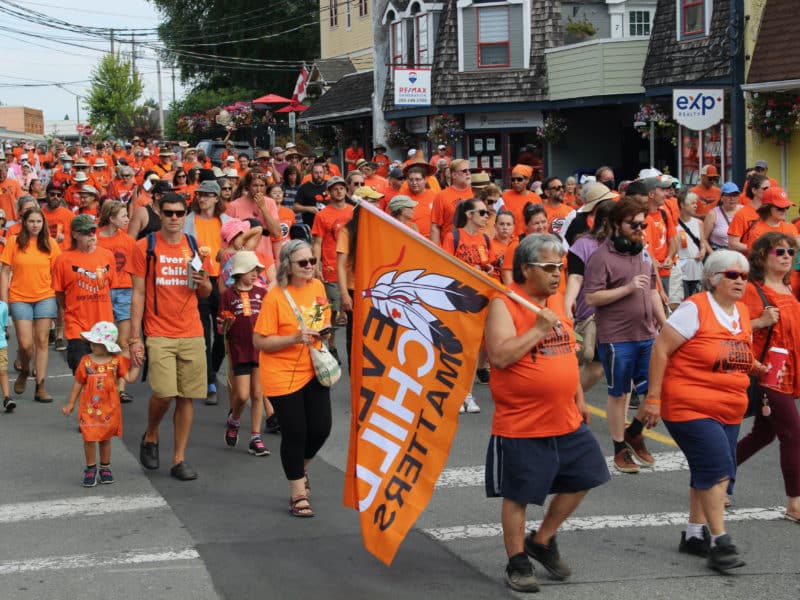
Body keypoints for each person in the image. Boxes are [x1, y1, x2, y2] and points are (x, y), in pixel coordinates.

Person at [484, 233, 610, 593]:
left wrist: (579, 398)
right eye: (549, 267)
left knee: (588, 473)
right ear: (525, 269)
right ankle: (517, 561)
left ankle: (542, 539)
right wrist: (538, 328)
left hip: (565, 415)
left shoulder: (556, 300)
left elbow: (568, 350)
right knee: (519, 492)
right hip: (522, 421)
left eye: (561, 267)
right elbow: (501, 355)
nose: (558, 274)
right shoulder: (505, 304)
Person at [644, 250, 753, 572]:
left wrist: (754, 367)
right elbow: (661, 348)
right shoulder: (695, 308)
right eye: (732, 275)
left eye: (744, 276)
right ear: (713, 278)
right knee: (718, 470)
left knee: (706, 471)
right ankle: (720, 542)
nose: (739, 281)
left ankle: (694, 535)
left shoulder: (743, 312)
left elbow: (733, 353)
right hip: (689, 404)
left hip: (729, 408)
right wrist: (653, 397)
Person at [129, 192, 213, 481]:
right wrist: (134, 337)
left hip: (191, 330)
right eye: (169, 213)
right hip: (158, 331)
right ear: (159, 213)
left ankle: (179, 459)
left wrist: (204, 283)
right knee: (164, 393)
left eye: (179, 213)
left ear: (185, 214)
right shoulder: (145, 247)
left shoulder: (195, 247)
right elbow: (138, 294)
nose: (174, 218)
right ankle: (151, 434)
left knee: (187, 397)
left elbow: (206, 292)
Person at [584, 196, 668, 473]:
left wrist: (664, 323)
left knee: (654, 392)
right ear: (616, 224)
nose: (640, 229)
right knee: (620, 393)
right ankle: (620, 447)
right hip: (616, 337)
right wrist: (627, 288)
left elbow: (653, 290)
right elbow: (593, 297)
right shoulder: (601, 257)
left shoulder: (643, 252)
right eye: (634, 224)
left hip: (647, 333)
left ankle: (635, 430)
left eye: (643, 223)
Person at [253, 240, 333, 517]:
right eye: (303, 262)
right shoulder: (275, 296)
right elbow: (260, 341)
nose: (310, 266)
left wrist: (324, 331)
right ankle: (298, 493)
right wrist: (293, 338)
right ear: (288, 265)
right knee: (296, 432)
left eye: (312, 260)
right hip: (281, 372)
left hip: (314, 367)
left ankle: (301, 467)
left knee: (321, 428)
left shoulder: (318, 288)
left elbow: (323, 319)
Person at [736, 233, 800, 522]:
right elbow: (732, 327)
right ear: (762, 256)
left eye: (791, 252)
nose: (787, 256)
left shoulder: (790, 286)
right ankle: (795, 504)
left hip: (789, 369)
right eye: (780, 251)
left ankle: (716, 474)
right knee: (793, 434)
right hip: (768, 371)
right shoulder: (752, 290)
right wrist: (760, 321)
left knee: (764, 433)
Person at [61, 321, 141, 487]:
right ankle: (91, 467)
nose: (92, 345)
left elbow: (130, 378)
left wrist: (137, 364)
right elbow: (78, 383)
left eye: (96, 343)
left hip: (108, 408)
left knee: (105, 439)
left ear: (106, 346)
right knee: (89, 438)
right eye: (92, 342)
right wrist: (70, 403)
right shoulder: (85, 361)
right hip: (89, 407)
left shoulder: (116, 361)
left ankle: (105, 466)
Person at [0, 206, 60, 402]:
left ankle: (40, 386)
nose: (35, 225)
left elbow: (58, 273)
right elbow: (5, 272)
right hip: (19, 297)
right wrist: (3, 301)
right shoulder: (13, 242)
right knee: (26, 345)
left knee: (42, 342)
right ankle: (25, 370)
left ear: (43, 224)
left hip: (45, 296)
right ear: (24, 222)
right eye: (32, 221)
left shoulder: (50, 243)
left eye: (39, 221)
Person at [443, 198, 495, 413]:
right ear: (469, 215)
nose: (486, 217)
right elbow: (445, 265)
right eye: (482, 212)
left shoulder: (485, 238)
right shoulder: (452, 236)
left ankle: (466, 393)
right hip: (458, 298)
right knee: (458, 348)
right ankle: (456, 393)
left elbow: (488, 264)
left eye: (487, 213)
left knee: (472, 349)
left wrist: (487, 270)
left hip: (479, 299)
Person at [219, 251, 270, 457]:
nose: (254, 274)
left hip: (259, 349)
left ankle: (255, 437)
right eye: (250, 270)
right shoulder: (228, 296)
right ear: (239, 273)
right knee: (241, 395)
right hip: (239, 349)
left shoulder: (262, 293)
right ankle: (235, 419)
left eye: (256, 270)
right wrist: (226, 325)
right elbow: (221, 327)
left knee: (257, 394)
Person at [185, 179, 232, 404]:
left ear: (216, 198)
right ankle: (210, 382)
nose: (202, 198)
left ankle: (210, 369)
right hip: (200, 279)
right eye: (199, 194)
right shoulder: (188, 222)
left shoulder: (227, 222)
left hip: (222, 281)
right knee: (204, 333)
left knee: (223, 332)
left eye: (207, 194)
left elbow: (241, 243)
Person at [52, 214, 117, 376]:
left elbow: (111, 287)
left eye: (92, 230)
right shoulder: (63, 260)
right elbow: (59, 293)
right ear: (74, 234)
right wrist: (71, 308)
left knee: (103, 377)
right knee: (83, 374)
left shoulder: (107, 255)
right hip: (77, 326)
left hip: (103, 325)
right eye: (85, 232)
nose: (91, 234)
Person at [564, 198, 615, 395]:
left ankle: (619, 419)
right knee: (594, 364)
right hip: (593, 312)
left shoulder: (627, 244)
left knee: (617, 369)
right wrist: (568, 306)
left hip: (621, 314)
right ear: (605, 221)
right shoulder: (583, 245)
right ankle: (567, 398)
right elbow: (575, 278)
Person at [97, 201, 137, 402]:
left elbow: (135, 268)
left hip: (124, 291)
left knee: (124, 341)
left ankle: (120, 387)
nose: (127, 219)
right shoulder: (95, 239)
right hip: (102, 291)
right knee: (104, 340)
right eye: (123, 216)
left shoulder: (129, 240)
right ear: (111, 219)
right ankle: (104, 382)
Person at [311, 176, 354, 362]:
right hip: (330, 267)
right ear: (329, 192)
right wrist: (316, 265)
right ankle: (333, 346)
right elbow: (317, 242)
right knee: (333, 311)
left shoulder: (354, 212)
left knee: (351, 313)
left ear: (346, 190)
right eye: (334, 188)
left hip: (352, 269)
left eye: (341, 188)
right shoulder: (322, 215)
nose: (339, 191)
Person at [430, 159, 474, 245]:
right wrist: (435, 252)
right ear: (454, 175)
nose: (468, 173)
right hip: (450, 247)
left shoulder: (474, 193)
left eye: (469, 170)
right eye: (464, 171)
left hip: (473, 246)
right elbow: (435, 227)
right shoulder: (441, 196)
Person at [741, 187, 798, 252]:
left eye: (787, 207)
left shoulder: (791, 227)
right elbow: (755, 259)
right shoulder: (757, 232)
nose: (784, 210)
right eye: (780, 208)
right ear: (767, 208)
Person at [677, 191, 711, 298]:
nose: (695, 206)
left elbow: (702, 241)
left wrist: (703, 251)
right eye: (692, 203)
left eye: (695, 203)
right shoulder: (674, 224)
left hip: (696, 265)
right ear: (682, 205)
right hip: (680, 266)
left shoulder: (698, 223)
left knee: (697, 298)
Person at [728, 173, 770, 253]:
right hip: (750, 262)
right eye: (765, 189)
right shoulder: (742, 214)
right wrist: (758, 250)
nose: (769, 191)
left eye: (770, 189)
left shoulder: (772, 211)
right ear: (754, 190)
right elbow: (732, 243)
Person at [501, 164, 541, 236]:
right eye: (513, 179)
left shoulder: (535, 198)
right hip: (510, 239)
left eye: (519, 179)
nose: (516, 182)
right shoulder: (504, 196)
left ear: (527, 180)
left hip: (529, 239)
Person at [704, 182, 741, 250]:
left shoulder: (744, 211)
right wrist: (712, 254)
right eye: (729, 195)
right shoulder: (713, 214)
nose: (732, 198)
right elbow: (704, 239)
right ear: (722, 197)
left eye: (735, 195)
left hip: (741, 253)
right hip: (720, 252)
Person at [0, 297, 10, 412]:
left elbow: (4, 326)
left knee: (2, 371)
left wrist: (5, 334)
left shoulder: (3, 306)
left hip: (1, 345)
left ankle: (7, 398)